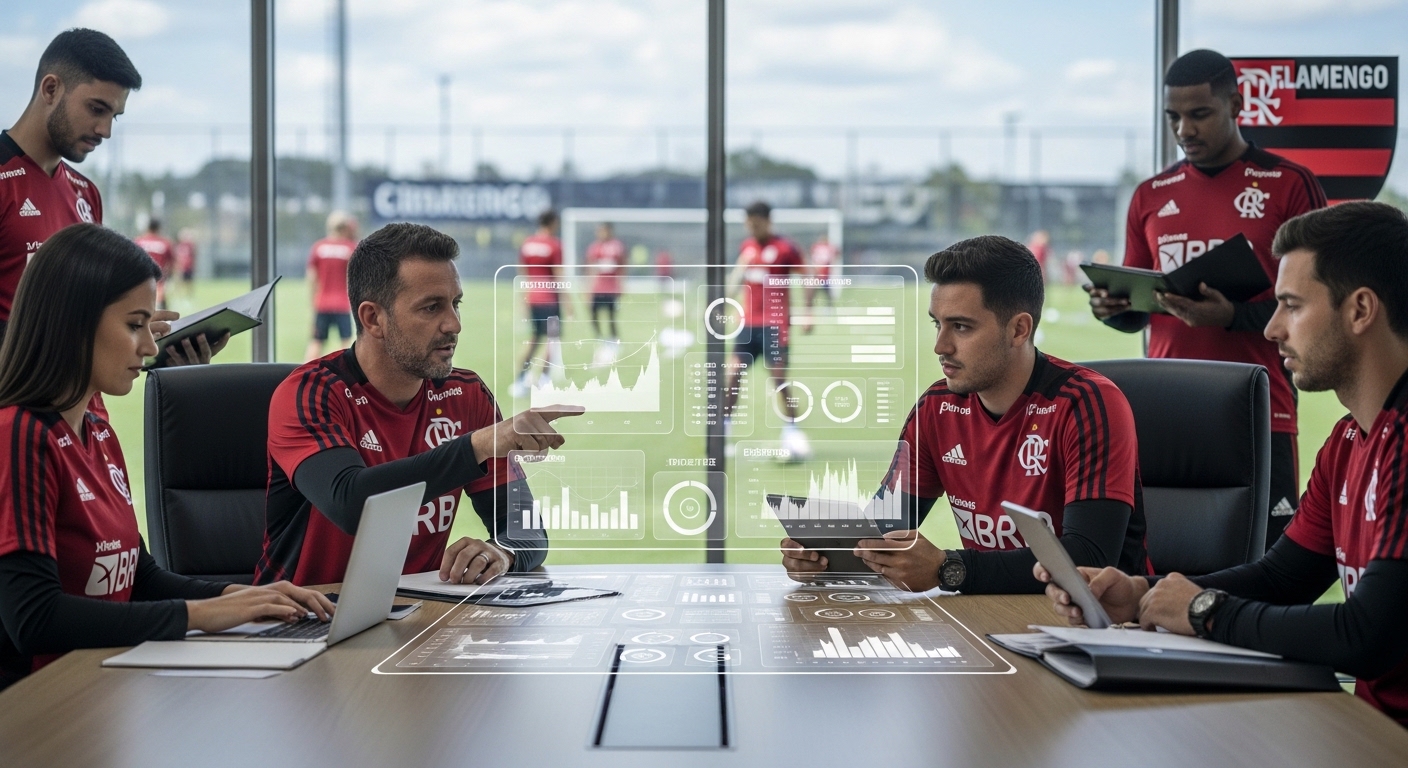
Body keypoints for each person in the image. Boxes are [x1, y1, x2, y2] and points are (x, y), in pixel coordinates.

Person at [1042, 202, 1408, 728]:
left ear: (1360, 310)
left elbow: (1369, 636)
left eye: (1291, 306)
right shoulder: (1350, 440)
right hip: (1372, 734)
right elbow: (1283, 577)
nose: (1272, 329)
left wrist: (1203, 611)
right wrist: (1146, 593)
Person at [0, 224, 331, 691]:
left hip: (101, 687)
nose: (152, 347)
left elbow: (138, 574)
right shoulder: (19, 435)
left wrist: (240, 596)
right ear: (72, 321)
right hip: (39, 706)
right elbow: (34, 618)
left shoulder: (97, 432)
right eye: (135, 325)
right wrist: (202, 614)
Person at [785, 235, 1149, 594]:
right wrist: (825, 556)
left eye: (961, 326)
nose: (940, 346)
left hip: (1101, 631)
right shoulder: (936, 409)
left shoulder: (1087, 404)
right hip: (990, 623)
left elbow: (1089, 560)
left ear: (1019, 329)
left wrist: (951, 568)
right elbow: (883, 530)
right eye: (937, 324)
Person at [1088, 49, 1327, 549]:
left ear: (1236, 104)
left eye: (1199, 114)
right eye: (1173, 117)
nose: (1184, 130)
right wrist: (1115, 310)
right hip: (1166, 410)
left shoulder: (1288, 185)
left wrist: (1233, 315)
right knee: (1157, 564)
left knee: (1264, 569)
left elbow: (1319, 302)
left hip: (1261, 409)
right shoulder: (1151, 194)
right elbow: (1141, 310)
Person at [256, 223, 581, 587]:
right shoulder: (310, 393)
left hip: (413, 616)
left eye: (455, 304)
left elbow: (526, 531)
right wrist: (477, 446)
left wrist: (501, 552)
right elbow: (351, 503)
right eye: (431, 308)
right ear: (373, 318)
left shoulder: (467, 395)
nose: (454, 324)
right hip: (299, 624)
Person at [0, 28, 223, 364]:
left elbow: (88, 317)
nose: (105, 130)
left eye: (114, 116)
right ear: (50, 89)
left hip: (85, 411)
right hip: (19, 410)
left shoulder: (86, 193)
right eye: (96, 109)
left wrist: (146, 340)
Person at [723, 201, 815, 458]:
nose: (751, 228)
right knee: (732, 374)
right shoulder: (747, 247)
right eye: (748, 224)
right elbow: (738, 277)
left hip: (775, 325)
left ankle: (793, 430)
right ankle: (723, 429)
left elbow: (809, 276)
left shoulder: (785, 248)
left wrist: (808, 311)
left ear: (767, 222)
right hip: (747, 324)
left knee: (778, 380)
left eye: (756, 223)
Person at [510, 209, 567, 398]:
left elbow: (523, 272)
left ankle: (520, 380)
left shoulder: (528, 243)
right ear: (552, 223)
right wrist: (567, 300)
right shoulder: (554, 244)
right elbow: (558, 275)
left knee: (534, 339)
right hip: (550, 298)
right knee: (552, 340)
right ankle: (543, 380)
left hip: (533, 297)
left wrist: (523, 298)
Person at [304, 211, 358, 361]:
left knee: (316, 342)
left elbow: (311, 278)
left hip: (322, 303)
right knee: (346, 344)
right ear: (345, 228)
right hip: (342, 303)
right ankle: (346, 378)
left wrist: (313, 302)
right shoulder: (351, 248)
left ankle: (303, 376)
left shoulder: (318, 247)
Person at [586, 222, 626, 343]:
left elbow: (622, 267)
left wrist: (622, 285)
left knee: (612, 316)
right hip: (598, 287)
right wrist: (588, 287)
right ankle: (598, 336)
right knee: (593, 313)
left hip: (611, 288)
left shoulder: (617, 247)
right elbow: (590, 268)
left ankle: (614, 338)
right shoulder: (594, 247)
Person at [132, 218, 173, 308]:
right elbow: (171, 262)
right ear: (158, 228)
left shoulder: (138, 241)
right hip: (159, 278)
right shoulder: (165, 242)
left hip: (141, 277)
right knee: (159, 302)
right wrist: (169, 277)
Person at [809, 233, 839, 308]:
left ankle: (812, 305)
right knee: (820, 290)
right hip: (821, 272)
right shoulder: (827, 247)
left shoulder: (818, 247)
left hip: (820, 272)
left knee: (822, 290)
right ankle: (828, 306)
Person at [173, 227, 197, 308]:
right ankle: (179, 299)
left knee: (189, 284)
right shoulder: (178, 245)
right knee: (179, 284)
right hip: (180, 267)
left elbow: (194, 256)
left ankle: (189, 299)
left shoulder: (190, 245)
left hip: (188, 267)